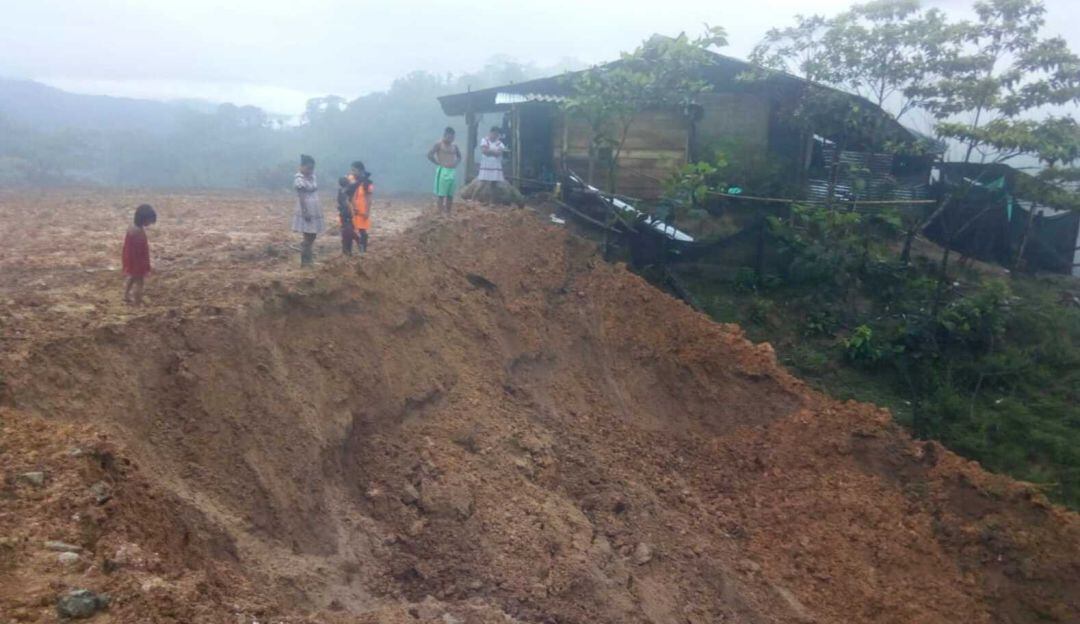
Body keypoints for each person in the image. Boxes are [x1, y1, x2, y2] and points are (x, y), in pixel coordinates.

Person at [291, 154, 324, 267]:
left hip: (314, 208)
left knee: (313, 235)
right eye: (309, 168)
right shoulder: (299, 179)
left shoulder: (312, 176)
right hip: (306, 210)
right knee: (308, 235)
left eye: (312, 168)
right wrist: (305, 212)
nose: (311, 170)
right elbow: (301, 197)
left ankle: (308, 257)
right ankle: (305, 262)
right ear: (302, 166)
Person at [122, 203, 156, 306]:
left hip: (130, 259)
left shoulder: (131, 228)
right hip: (138, 262)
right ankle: (137, 303)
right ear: (144, 219)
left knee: (131, 277)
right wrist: (145, 266)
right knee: (139, 283)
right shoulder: (139, 232)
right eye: (149, 221)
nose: (150, 223)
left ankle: (126, 295)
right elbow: (141, 252)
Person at [339, 161, 374, 255]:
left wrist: (367, 211)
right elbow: (343, 186)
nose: (352, 172)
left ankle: (363, 251)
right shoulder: (350, 179)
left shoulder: (367, 183)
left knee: (362, 231)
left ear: (361, 171)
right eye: (351, 170)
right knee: (348, 231)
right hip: (350, 211)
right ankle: (347, 252)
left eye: (354, 170)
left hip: (362, 211)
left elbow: (369, 198)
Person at [427, 127, 461, 213]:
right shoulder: (439, 144)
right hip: (442, 171)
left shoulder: (455, 146)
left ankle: (448, 212)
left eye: (452, 137)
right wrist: (437, 163)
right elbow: (430, 155)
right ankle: (440, 213)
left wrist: (455, 164)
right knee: (441, 194)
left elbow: (459, 157)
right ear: (445, 135)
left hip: (451, 171)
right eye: (449, 137)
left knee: (450, 194)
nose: (451, 139)